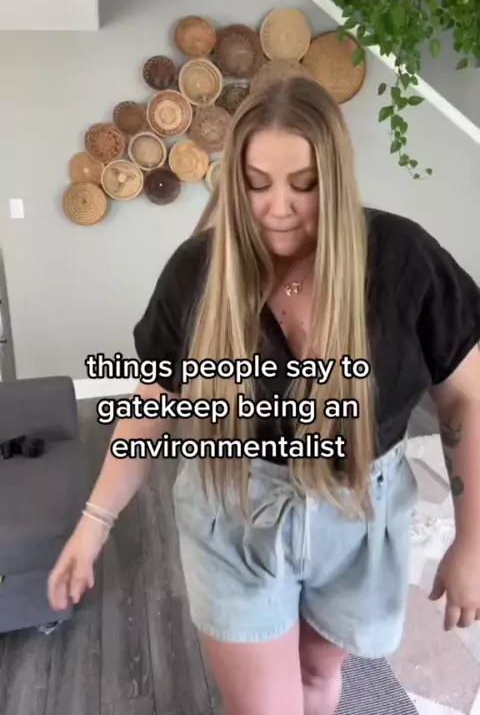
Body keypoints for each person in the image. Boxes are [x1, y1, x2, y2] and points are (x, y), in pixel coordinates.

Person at [48, 77, 480, 715]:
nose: (278, 208)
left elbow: (466, 400)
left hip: (362, 515)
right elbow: (150, 407)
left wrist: (471, 542)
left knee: (318, 677)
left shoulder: (405, 260)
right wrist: (94, 522)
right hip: (236, 509)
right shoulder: (196, 273)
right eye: (257, 183)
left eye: (304, 184)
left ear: (336, 179)